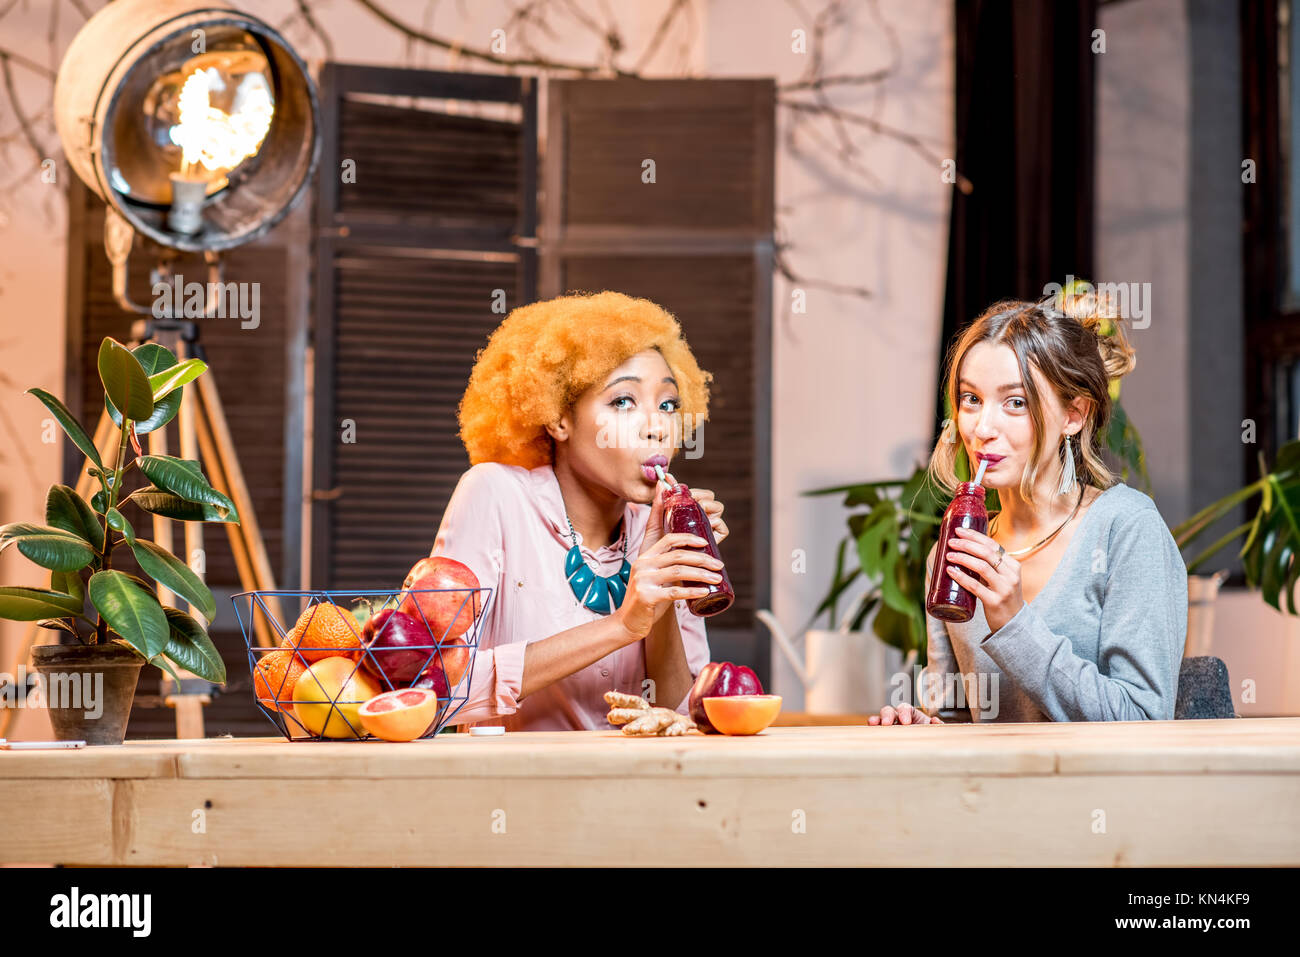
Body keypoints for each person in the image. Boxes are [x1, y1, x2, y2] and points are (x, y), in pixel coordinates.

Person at [870, 286, 1188, 725]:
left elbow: (1144, 721)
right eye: (971, 399)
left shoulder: (1126, 529)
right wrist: (928, 729)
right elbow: (960, 724)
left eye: (1014, 402)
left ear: (1074, 414)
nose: (983, 427)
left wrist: (1014, 622)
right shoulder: (954, 555)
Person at [415, 290, 729, 731]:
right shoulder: (494, 494)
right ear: (559, 418)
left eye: (668, 404)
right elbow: (432, 692)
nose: (658, 426)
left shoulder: (659, 528)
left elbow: (676, 718)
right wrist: (622, 625)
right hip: (512, 794)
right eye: (623, 401)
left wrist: (660, 589)